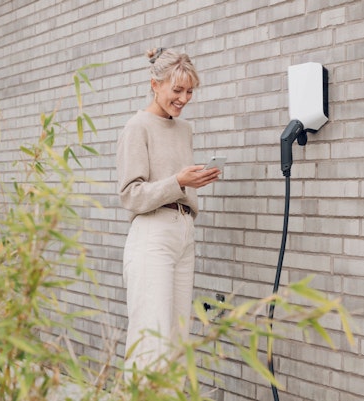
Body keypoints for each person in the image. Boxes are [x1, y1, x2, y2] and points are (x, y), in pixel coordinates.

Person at [116, 47, 221, 381]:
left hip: (183, 233)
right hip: (153, 233)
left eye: (189, 91)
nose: (184, 99)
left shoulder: (184, 129)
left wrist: (192, 182)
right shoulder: (138, 127)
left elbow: (177, 184)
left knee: (177, 339)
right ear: (155, 84)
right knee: (152, 338)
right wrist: (178, 182)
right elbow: (130, 194)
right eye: (177, 90)